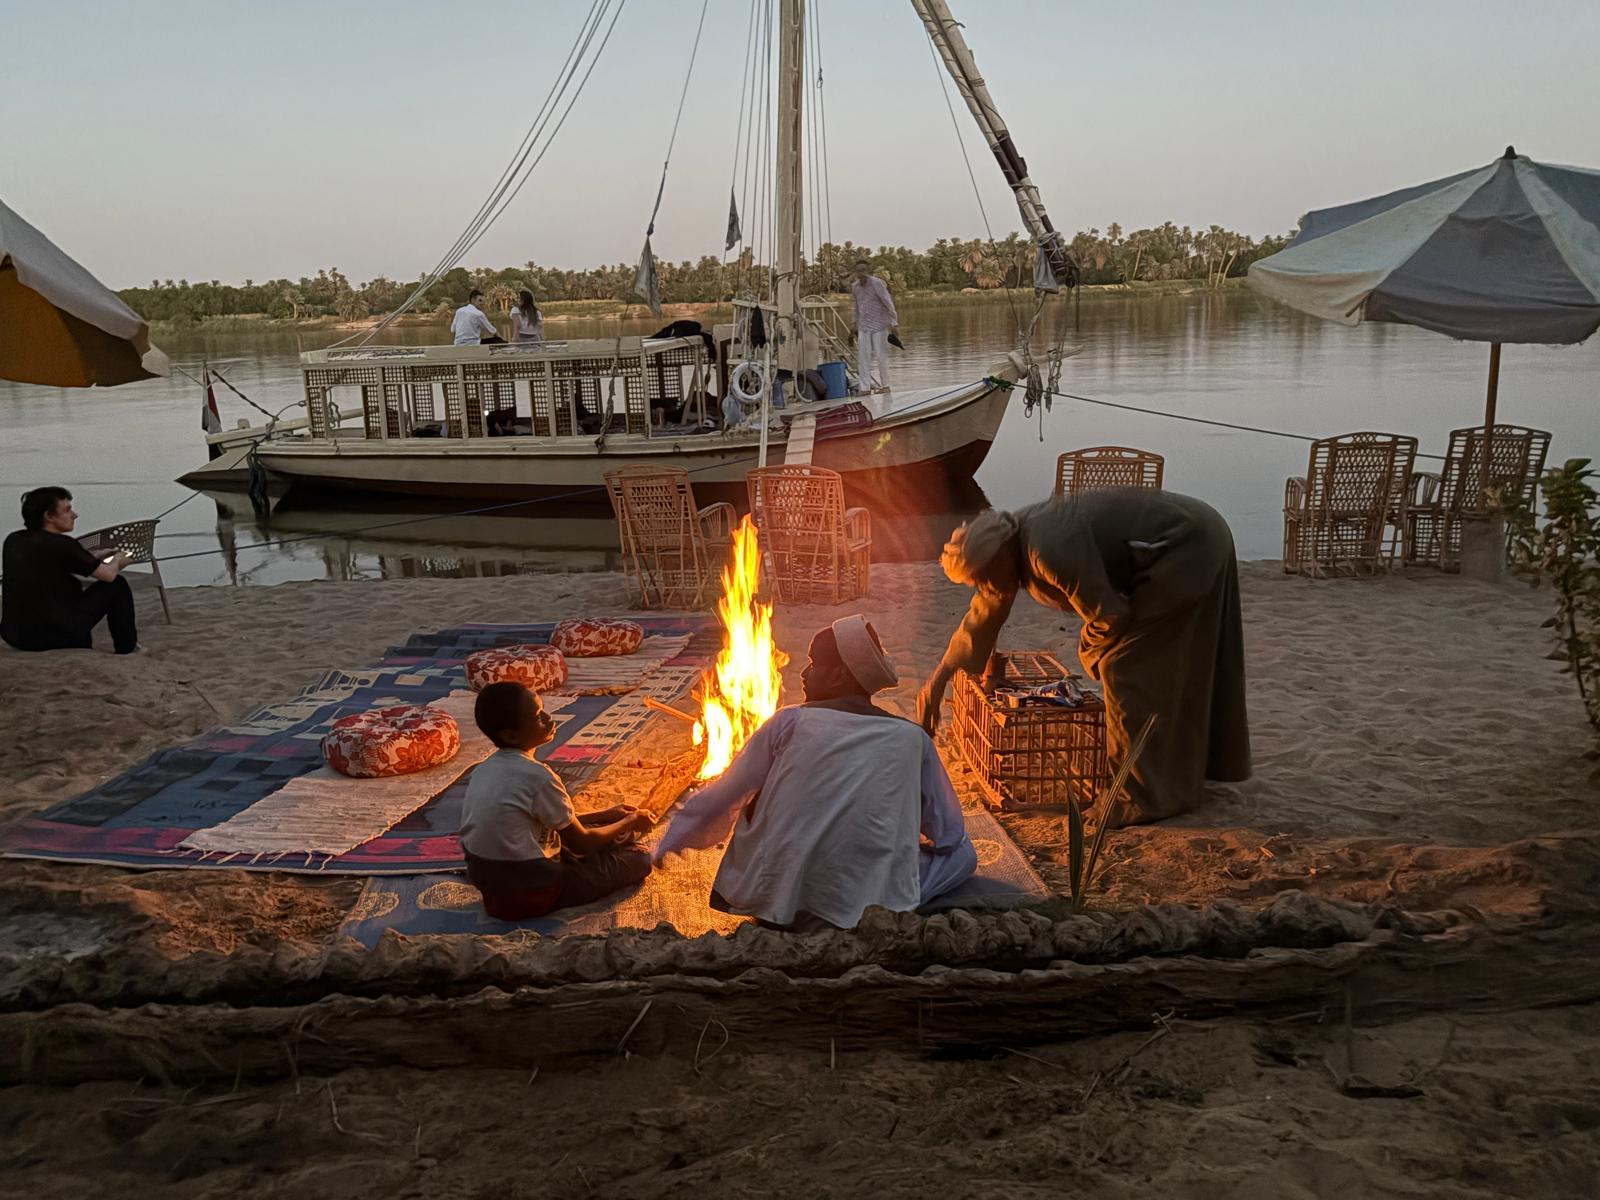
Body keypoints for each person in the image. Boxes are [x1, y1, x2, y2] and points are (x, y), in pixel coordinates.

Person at [918, 489, 1252, 826]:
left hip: (1188, 545)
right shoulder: (1008, 544)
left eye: (985, 578)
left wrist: (1089, 650)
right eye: (979, 583)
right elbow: (983, 616)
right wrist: (939, 677)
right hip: (1191, 537)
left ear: (999, 556)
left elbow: (1111, 615)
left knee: (1122, 665)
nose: (987, 587)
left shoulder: (1046, 551)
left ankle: (1138, 796)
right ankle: (1186, 771)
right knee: (1156, 659)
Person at [656, 614, 976, 931]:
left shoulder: (787, 721)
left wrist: (665, 846)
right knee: (964, 853)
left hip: (780, 901)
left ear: (838, 674)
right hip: (871, 904)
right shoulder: (912, 738)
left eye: (813, 664)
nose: (805, 674)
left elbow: (721, 798)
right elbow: (948, 833)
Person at [459, 681, 653, 919]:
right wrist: (632, 820)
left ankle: (603, 842)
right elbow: (582, 842)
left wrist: (605, 815)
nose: (550, 719)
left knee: (612, 833)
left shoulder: (484, 769)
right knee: (640, 857)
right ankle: (572, 882)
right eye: (539, 716)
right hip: (533, 893)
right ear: (510, 735)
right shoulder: (537, 776)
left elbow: (543, 822)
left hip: (493, 886)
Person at [1, 487, 138, 655]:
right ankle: (127, 649)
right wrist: (118, 559)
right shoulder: (63, 544)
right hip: (57, 636)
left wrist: (94, 555)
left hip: (17, 637)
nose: (74, 514)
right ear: (48, 516)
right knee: (117, 584)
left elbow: (53, 561)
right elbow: (108, 576)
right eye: (67, 510)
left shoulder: (14, 539)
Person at [849, 258, 898, 393]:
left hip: (879, 325)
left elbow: (887, 302)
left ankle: (885, 386)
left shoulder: (877, 283)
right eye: (859, 271)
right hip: (864, 326)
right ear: (856, 272)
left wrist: (893, 322)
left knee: (881, 356)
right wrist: (854, 323)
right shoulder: (855, 287)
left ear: (868, 271)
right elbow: (856, 306)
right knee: (863, 357)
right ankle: (864, 388)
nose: (862, 273)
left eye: (864, 270)